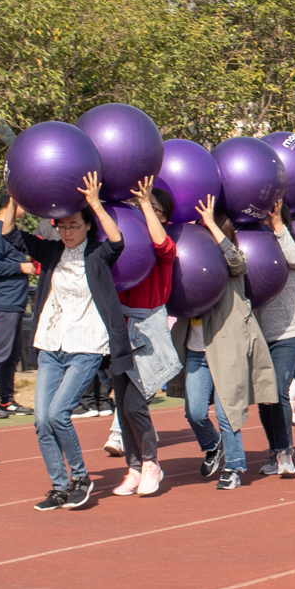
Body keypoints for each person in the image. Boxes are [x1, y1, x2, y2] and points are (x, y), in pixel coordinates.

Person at [4, 172, 130, 511]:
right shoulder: (51, 252)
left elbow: (117, 241)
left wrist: (93, 203)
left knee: (59, 414)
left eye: (73, 225)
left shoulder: (98, 254)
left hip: (86, 345)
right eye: (62, 227)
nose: (67, 232)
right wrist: (16, 194)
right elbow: (9, 233)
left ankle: (80, 479)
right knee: (41, 420)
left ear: (87, 225)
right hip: (51, 344)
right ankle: (59, 487)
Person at [173, 194, 277, 490]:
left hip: (226, 348)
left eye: (206, 229)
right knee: (194, 412)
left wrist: (211, 225)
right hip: (196, 350)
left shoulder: (231, 266)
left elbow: (238, 262)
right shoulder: (189, 260)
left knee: (226, 410)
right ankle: (213, 444)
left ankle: (233, 467)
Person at [100, 178, 181, 493]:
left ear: (164, 216)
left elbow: (163, 246)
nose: (145, 210)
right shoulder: (126, 242)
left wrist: (146, 202)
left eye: (155, 208)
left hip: (147, 330)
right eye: (141, 205)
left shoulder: (164, 248)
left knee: (135, 403)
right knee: (121, 404)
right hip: (120, 328)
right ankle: (133, 468)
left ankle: (151, 464)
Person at [255, 200, 295, 479]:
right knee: (264, 397)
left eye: (271, 219)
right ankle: (275, 451)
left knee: (277, 390)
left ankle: (285, 451)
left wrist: (277, 227)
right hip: (260, 335)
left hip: (289, 332)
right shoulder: (254, 246)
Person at [0, 190, 36, 419]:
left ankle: (6, 400)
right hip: (3, 302)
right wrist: (20, 267)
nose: (26, 209)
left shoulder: (9, 231)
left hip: (15, 302)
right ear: (12, 203)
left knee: (12, 355)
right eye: (22, 203)